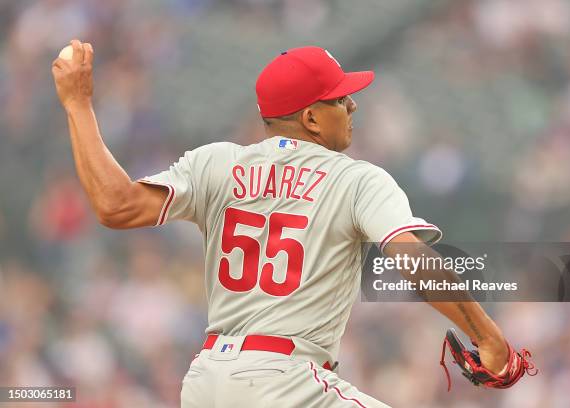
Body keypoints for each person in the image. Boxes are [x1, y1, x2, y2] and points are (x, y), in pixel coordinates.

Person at [52, 40, 515, 407]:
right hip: (285, 381)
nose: (352, 106)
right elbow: (411, 258)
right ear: (312, 117)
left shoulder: (217, 163)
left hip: (207, 381)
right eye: (341, 98)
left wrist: (77, 104)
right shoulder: (357, 179)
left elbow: (115, 205)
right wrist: (489, 339)